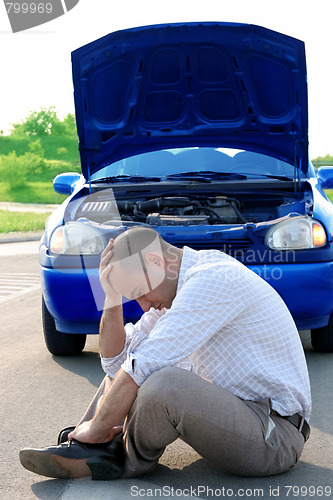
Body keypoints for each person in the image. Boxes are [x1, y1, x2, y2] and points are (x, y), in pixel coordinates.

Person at [20, 226, 311, 480]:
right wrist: (111, 297)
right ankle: (93, 448)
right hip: (241, 418)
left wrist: (97, 426)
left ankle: (111, 455)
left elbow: (142, 368)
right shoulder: (174, 294)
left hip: (273, 436)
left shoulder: (211, 280)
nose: (145, 305)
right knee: (131, 367)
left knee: (162, 381)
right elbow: (115, 362)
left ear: (156, 262)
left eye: (139, 292)